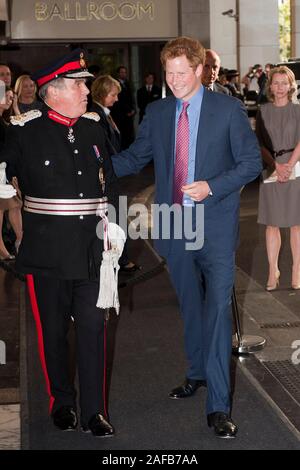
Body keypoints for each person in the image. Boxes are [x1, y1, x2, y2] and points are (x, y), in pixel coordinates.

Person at [111, 36, 262, 439]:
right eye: (169, 73)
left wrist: (211, 186)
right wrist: (87, 165)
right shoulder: (158, 112)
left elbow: (250, 164)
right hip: (173, 225)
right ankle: (196, 372)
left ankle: (218, 406)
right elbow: (134, 157)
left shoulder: (227, 110)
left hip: (214, 225)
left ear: (199, 70)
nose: (174, 81)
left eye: (182, 73)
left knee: (216, 310)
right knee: (190, 305)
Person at [0, 49, 119, 437]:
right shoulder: (23, 130)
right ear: (53, 91)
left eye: (85, 83)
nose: (87, 90)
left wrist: (116, 237)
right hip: (46, 253)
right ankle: (62, 402)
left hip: (91, 251)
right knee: (52, 333)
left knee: (93, 330)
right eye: (78, 83)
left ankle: (93, 412)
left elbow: (110, 186)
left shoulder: (92, 126)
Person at [90, 74, 139, 273]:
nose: (116, 99)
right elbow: (105, 148)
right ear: (102, 94)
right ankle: (121, 260)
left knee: (117, 217)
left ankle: (121, 258)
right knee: (115, 218)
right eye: (113, 94)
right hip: (107, 177)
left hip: (111, 174)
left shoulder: (104, 113)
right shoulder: (96, 115)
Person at [256, 66, 300, 290]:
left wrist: (290, 165)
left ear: (291, 85)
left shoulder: (298, 111)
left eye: (285, 82)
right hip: (271, 167)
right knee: (272, 223)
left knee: (296, 223)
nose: (280, 87)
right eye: (276, 82)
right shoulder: (262, 111)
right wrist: (276, 166)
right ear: (270, 86)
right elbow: (260, 143)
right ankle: (273, 270)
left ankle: (296, 270)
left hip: (296, 166)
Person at [0, 88, 23, 260]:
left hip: (5, 169)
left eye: (12, 98)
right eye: (7, 97)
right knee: (2, 209)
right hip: (2, 167)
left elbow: (21, 130)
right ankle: (2, 249)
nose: (10, 100)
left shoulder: (4, 120)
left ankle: (20, 240)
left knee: (14, 205)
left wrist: (15, 108)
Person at [111, 65, 136, 149]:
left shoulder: (127, 83)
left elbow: (131, 98)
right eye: (122, 72)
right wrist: (127, 111)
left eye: (125, 72)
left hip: (129, 115)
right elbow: (118, 100)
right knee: (121, 136)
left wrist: (133, 109)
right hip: (120, 115)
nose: (124, 74)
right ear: (118, 73)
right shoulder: (115, 84)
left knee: (129, 135)